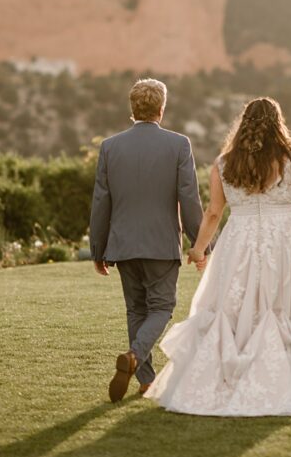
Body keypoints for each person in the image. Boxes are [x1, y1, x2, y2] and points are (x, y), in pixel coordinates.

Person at [144, 96, 291, 416]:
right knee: (279, 305)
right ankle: (279, 379)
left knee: (233, 308)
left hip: (239, 239)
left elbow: (214, 213)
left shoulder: (225, 162)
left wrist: (199, 247)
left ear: (243, 123)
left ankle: (225, 376)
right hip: (284, 240)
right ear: (278, 122)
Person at [88, 77, 206, 402]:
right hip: (161, 243)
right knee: (163, 307)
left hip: (123, 245)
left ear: (132, 108)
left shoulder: (110, 147)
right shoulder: (179, 144)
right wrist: (201, 244)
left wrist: (97, 250)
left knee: (136, 310)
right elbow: (189, 197)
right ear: (161, 109)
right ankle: (135, 357)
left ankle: (146, 382)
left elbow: (101, 202)